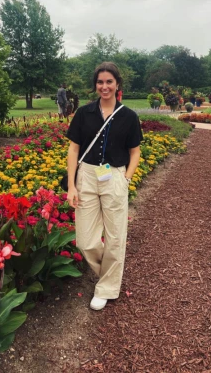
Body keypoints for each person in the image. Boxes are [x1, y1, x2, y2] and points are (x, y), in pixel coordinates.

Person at [66, 62, 143, 310]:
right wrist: (71, 186)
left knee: (115, 237)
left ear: (117, 84)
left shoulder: (129, 117)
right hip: (86, 176)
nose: (104, 86)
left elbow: (135, 151)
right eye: (100, 82)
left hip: (115, 177)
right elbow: (73, 149)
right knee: (85, 240)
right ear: (95, 85)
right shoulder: (84, 114)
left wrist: (127, 178)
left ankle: (107, 287)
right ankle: (109, 273)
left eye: (109, 81)